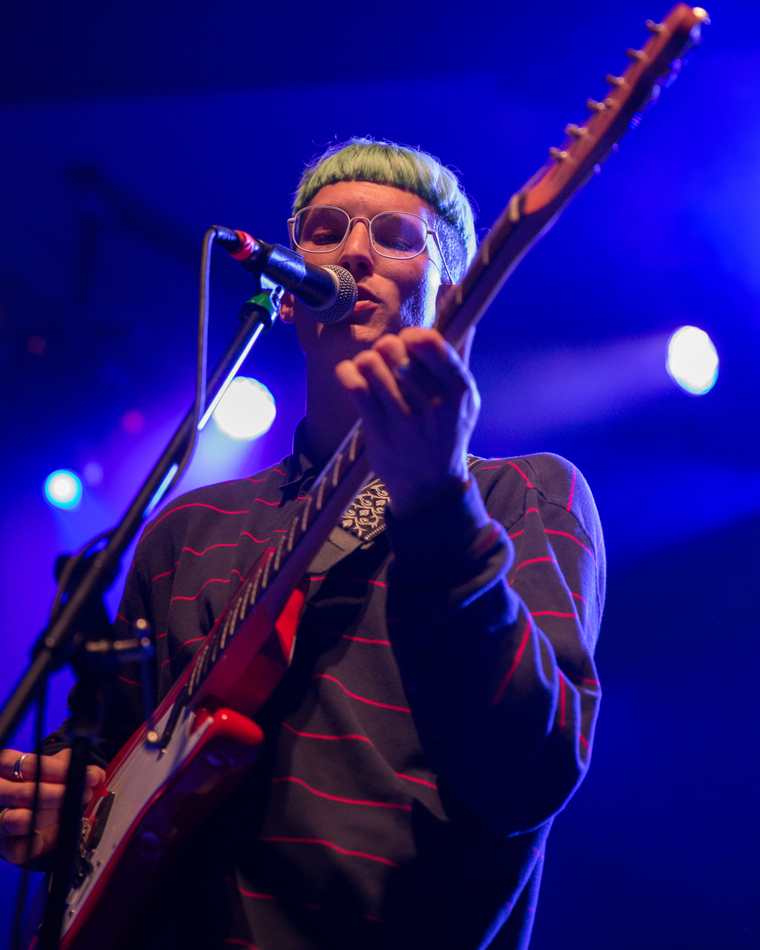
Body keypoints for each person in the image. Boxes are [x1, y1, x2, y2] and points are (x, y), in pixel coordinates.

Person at [0, 138, 605, 949]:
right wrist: (63, 812)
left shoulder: (522, 495)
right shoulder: (187, 531)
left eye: (395, 236)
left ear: (450, 291)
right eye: (325, 231)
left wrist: (438, 504)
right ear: (287, 296)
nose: (354, 250)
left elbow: (525, 771)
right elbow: (112, 771)